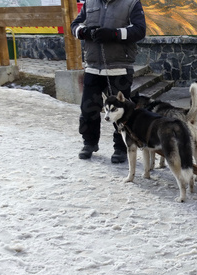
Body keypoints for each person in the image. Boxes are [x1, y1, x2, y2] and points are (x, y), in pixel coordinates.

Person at [71, 0, 146, 162]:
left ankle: (121, 148)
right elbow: (74, 26)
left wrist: (114, 34)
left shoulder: (131, 3)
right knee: (88, 109)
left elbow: (139, 30)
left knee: (121, 112)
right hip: (92, 67)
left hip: (119, 68)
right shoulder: (89, 3)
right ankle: (89, 143)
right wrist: (85, 32)